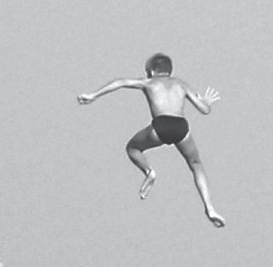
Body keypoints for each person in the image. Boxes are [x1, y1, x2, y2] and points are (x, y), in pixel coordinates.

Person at [77, 53, 225, 228]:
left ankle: (149, 171)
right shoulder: (181, 85)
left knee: (132, 148)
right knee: (196, 164)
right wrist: (206, 102)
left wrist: (93, 95)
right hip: (180, 128)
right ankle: (209, 208)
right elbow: (204, 110)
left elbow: (120, 82)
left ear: (153, 71)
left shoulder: (149, 83)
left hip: (160, 127)